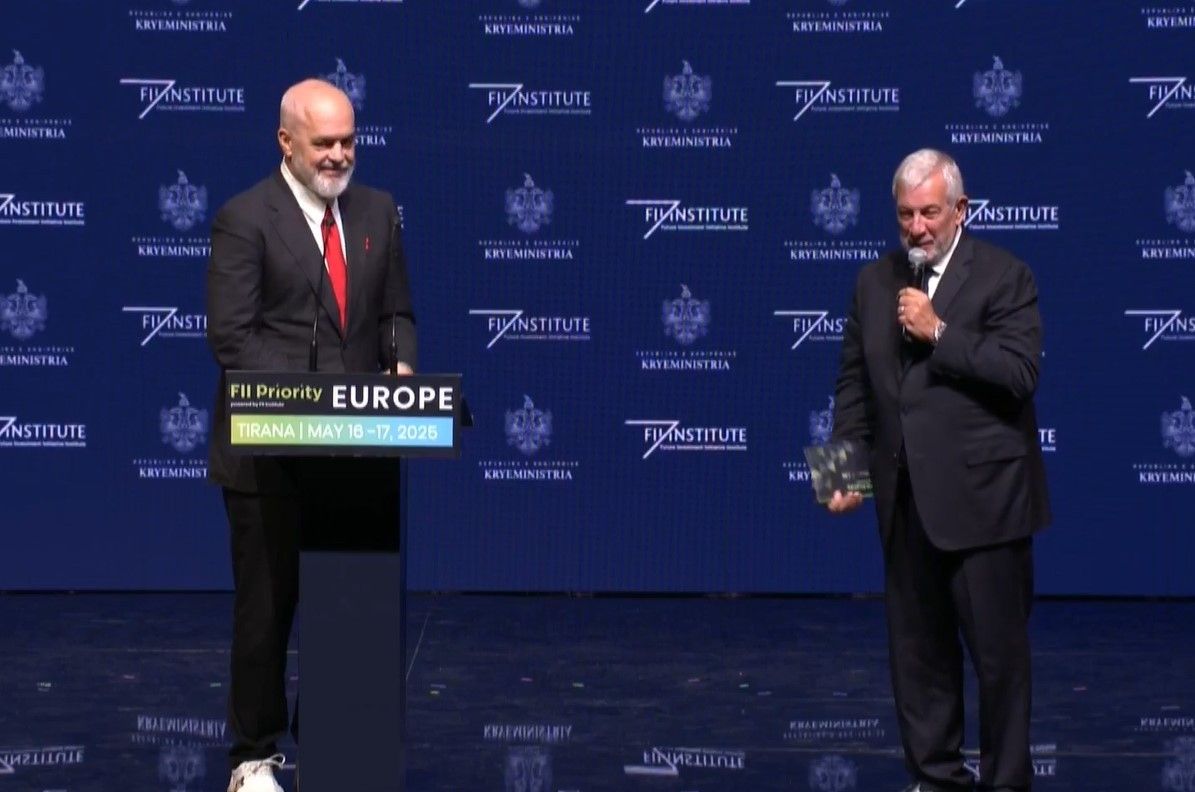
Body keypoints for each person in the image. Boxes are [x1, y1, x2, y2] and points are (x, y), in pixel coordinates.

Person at [206, 78, 416, 792]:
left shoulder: (378, 212)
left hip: (356, 452)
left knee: (348, 607)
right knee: (265, 613)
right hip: (267, 455)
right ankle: (252, 759)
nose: (338, 155)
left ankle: (335, 745)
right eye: (323, 142)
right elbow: (232, 338)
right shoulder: (244, 218)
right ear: (286, 141)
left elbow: (395, 314)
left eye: (348, 141)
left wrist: (400, 362)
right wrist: (321, 395)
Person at [828, 149, 1050, 792]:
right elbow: (854, 386)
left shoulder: (1005, 276)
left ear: (960, 210)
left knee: (999, 662)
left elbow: (1019, 373)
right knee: (918, 659)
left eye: (929, 213)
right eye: (905, 215)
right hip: (904, 502)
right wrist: (842, 472)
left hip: (985, 504)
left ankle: (1005, 783)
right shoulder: (873, 282)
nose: (917, 228)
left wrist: (940, 331)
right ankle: (935, 778)